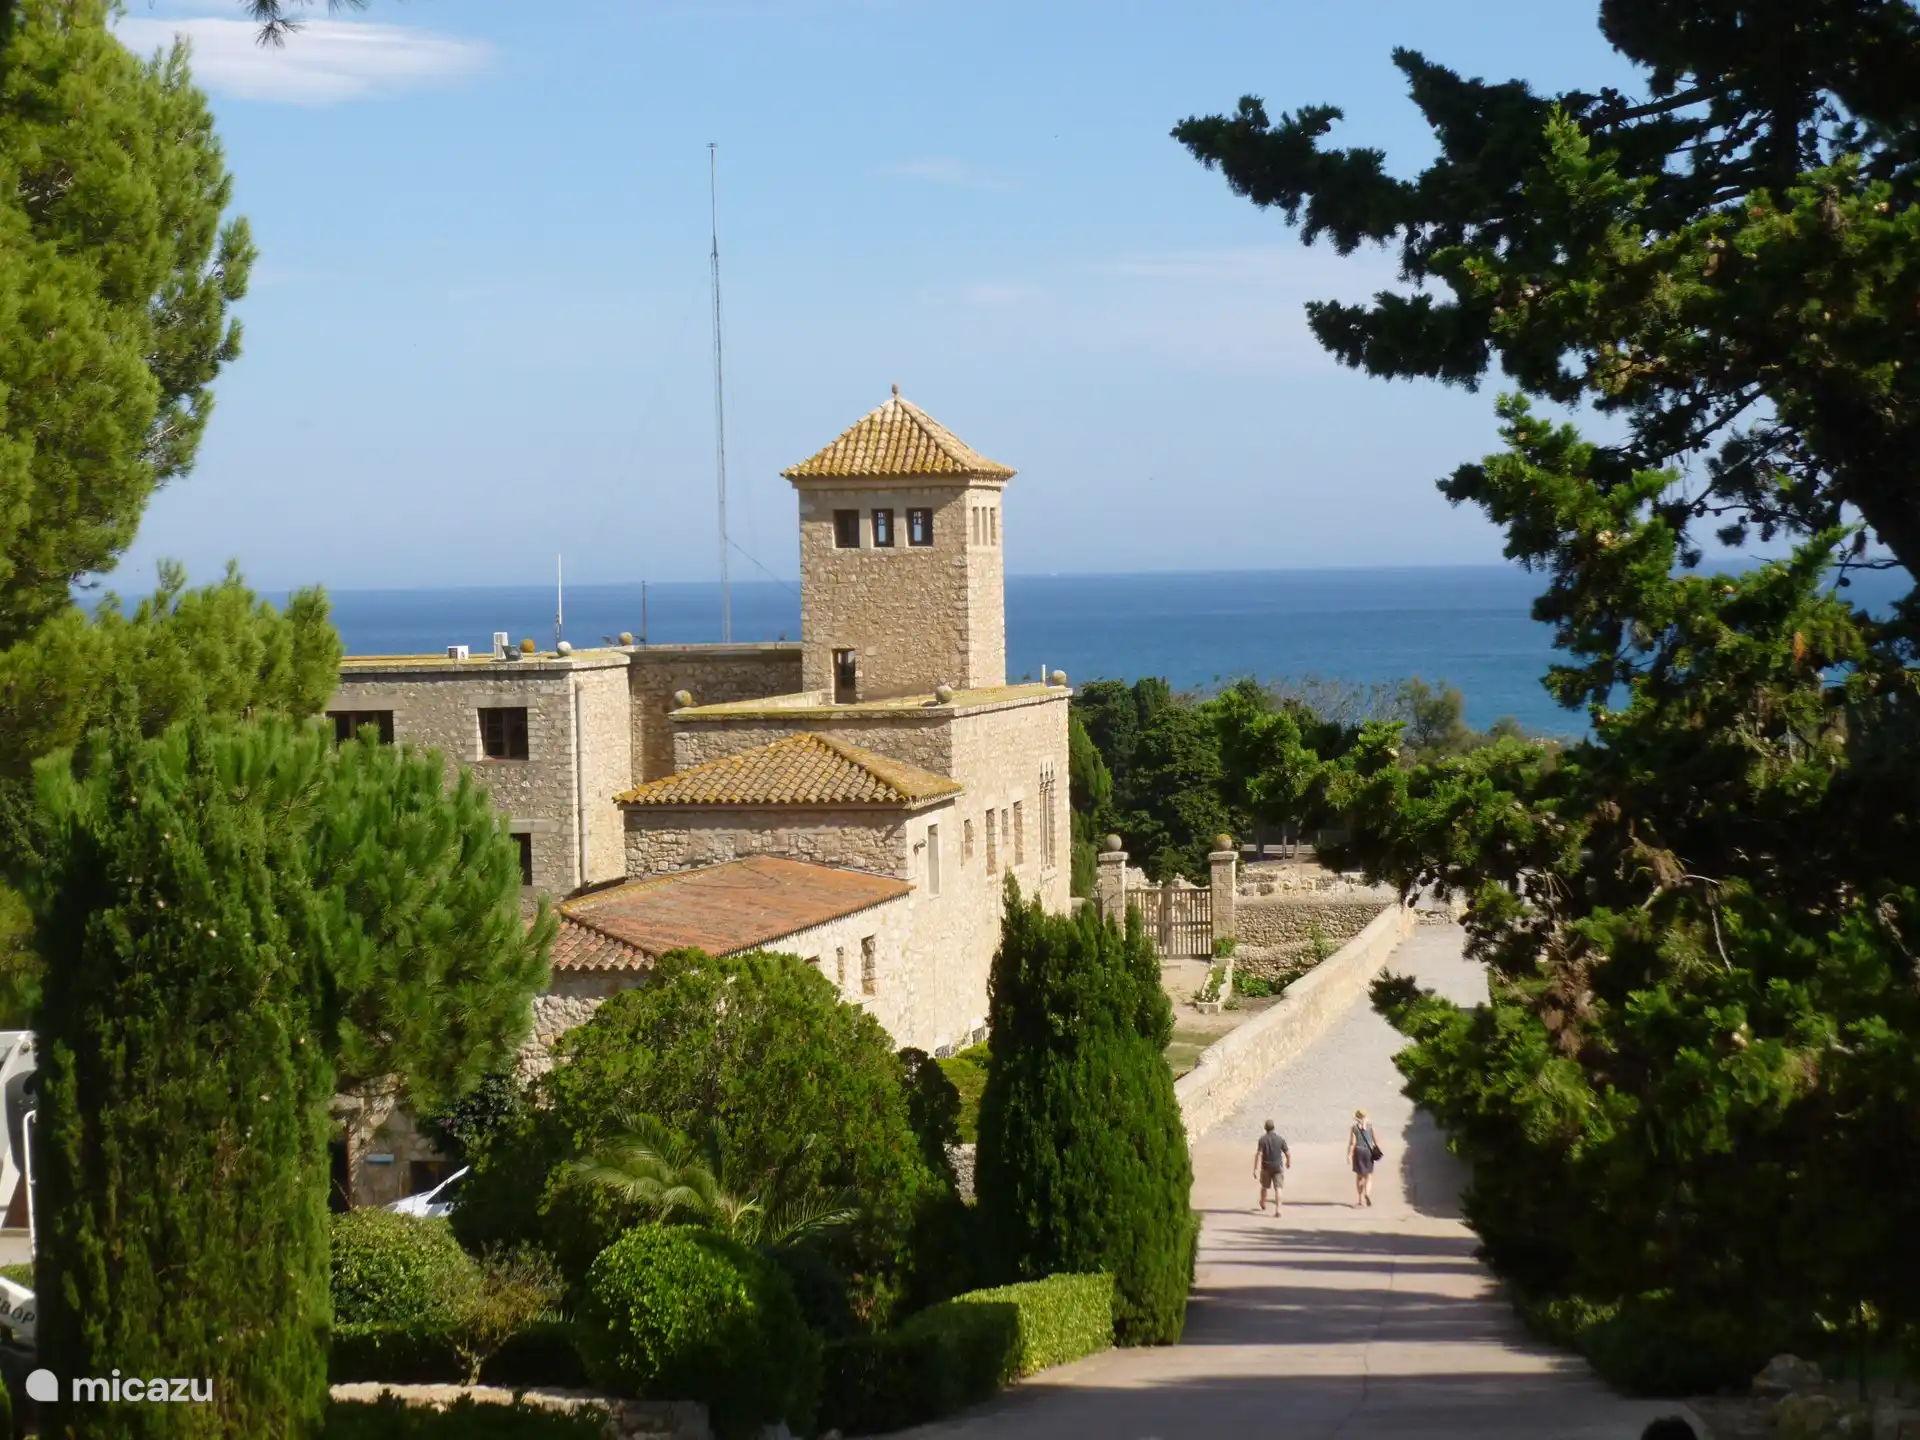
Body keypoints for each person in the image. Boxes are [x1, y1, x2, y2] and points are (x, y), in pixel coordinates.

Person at [1253, 1119, 1290, 1215]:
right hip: (1278, 1167)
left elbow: (1258, 1154)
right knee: (1278, 1188)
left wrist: (1255, 1169)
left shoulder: (1262, 1139)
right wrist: (1288, 1163)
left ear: (1265, 1128)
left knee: (1264, 1186)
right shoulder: (1280, 1139)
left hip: (1266, 1166)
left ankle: (1262, 1202)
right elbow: (1287, 1153)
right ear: (1274, 1128)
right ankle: (1278, 1209)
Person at [1346, 1108, 1379, 1207]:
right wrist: (1376, 1150)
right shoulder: (1371, 1127)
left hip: (1358, 1152)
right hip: (1368, 1152)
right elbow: (1376, 1141)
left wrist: (1349, 1154)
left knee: (1359, 1176)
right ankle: (1367, 1194)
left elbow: (1352, 1143)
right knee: (1368, 1176)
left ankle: (1360, 1199)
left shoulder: (1354, 1128)